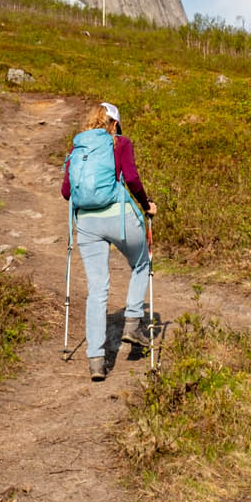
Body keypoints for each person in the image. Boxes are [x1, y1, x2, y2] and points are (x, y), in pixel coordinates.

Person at [63, 100, 157, 381]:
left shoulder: (77, 148)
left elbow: (67, 191)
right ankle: (132, 321)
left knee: (97, 289)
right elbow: (131, 177)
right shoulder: (120, 142)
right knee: (142, 262)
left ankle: (96, 361)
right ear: (113, 123)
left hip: (87, 224)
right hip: (119, 217)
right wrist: (146, 203)